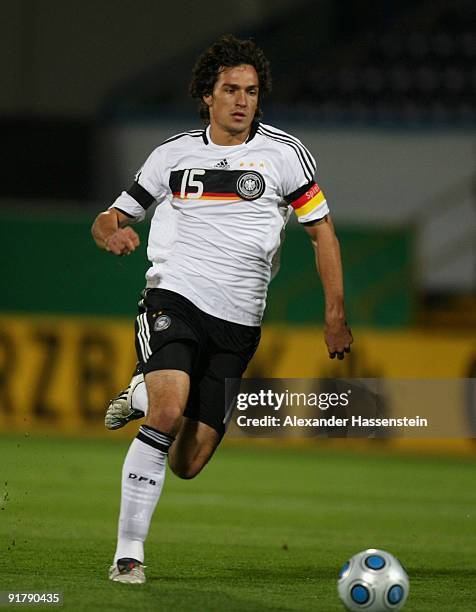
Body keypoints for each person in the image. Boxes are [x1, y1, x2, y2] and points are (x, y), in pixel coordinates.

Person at [91, 34, 353, 585]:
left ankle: (139, 391)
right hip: (175, 296)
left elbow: (321, 232)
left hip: (239, 322)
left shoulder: (286, 155)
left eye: (252, 92)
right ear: (206, 96)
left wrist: (335, 313)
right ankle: (128, 555)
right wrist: (112, 232)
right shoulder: (171, 155)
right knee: (168, 411)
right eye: (230, 89)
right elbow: (111, 217)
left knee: (187, 462)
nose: (242, 100)